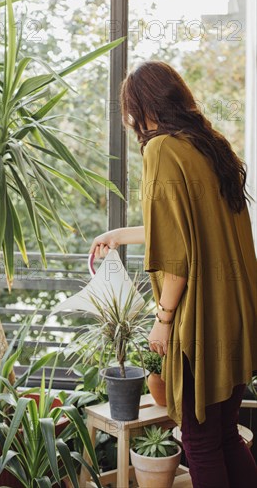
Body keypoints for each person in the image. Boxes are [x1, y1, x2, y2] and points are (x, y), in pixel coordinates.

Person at [89, 60, 257, 488]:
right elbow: (186, 230)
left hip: (200, 319)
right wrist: (119, 234)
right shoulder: (209, 144)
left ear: (141, 107)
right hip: (236, 315)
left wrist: (163, 321)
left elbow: (178, 254)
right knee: (224, 435)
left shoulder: (161, 149)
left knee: (199, 442)